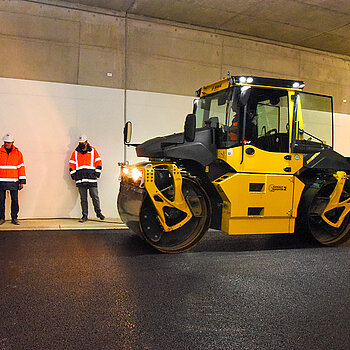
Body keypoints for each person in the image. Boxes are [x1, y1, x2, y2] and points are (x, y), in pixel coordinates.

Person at [69, 134, 105, 222]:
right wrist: (73, 175)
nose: (81, 144)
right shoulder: (76, 152)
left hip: (91, 178)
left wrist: (97, 173)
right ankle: (84, 216)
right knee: (83, 199)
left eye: (83, 142)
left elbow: (98, 162)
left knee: (95, 197)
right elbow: (71, 164)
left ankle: (98, 212)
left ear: (86, 142)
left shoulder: (93, 151)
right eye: (80, 143)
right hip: (81, 179)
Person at [0, 133, 26, 225]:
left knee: (14, 201)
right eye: (5, 142)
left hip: (13, 181)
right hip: (1, 181)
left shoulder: (18, 154)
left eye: (8, 142)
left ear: (12, 142)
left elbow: (21, 167)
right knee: (1, 201)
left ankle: (14, 218)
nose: (6, 144)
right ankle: (1, 218)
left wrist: (22, 181)